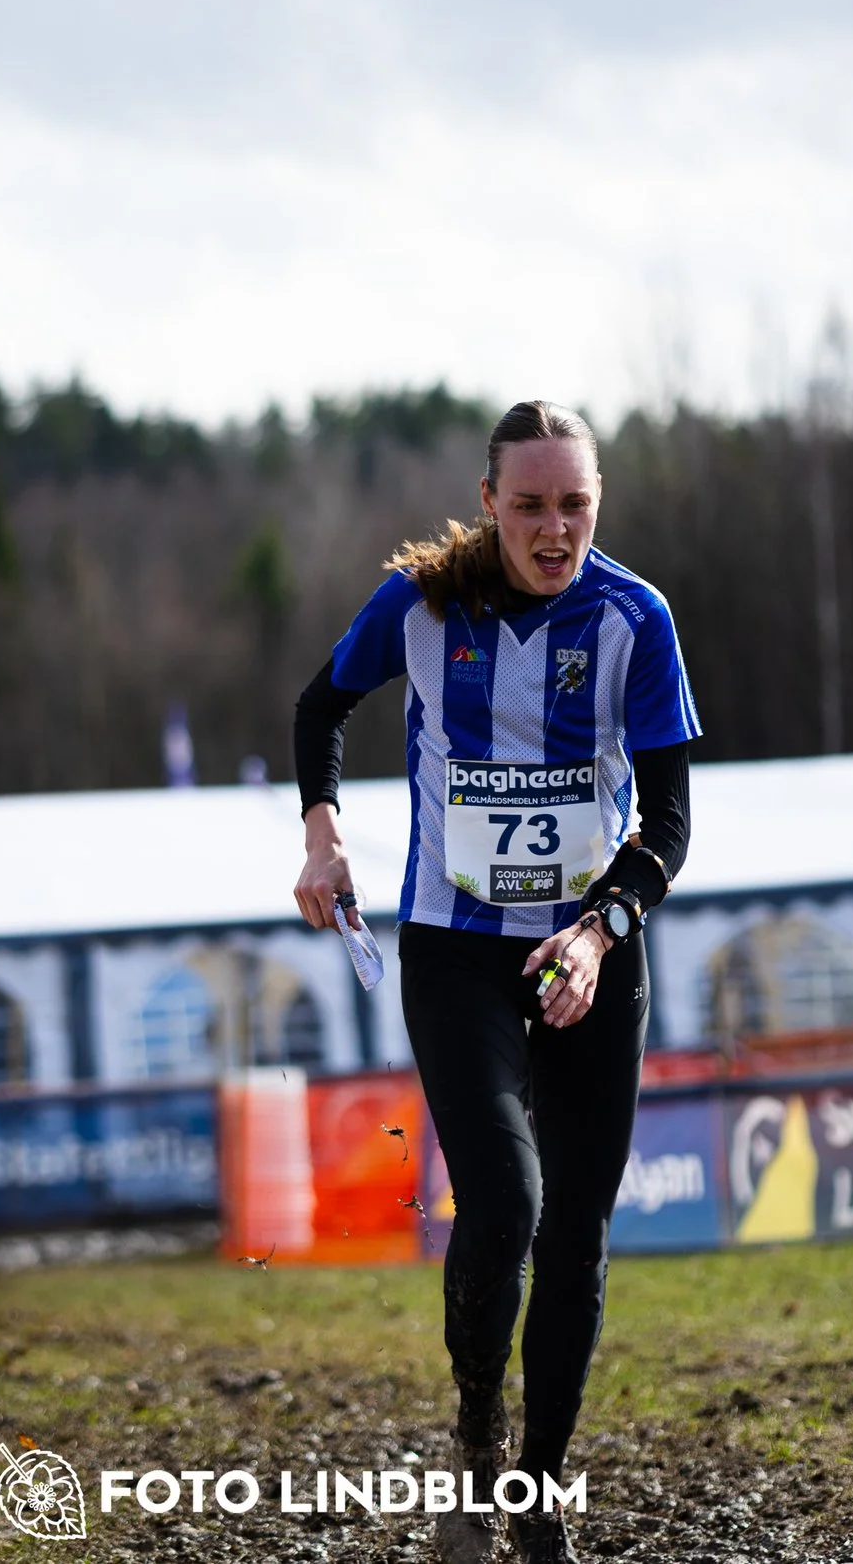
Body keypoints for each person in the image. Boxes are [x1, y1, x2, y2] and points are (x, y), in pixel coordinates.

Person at [291, 400, 698, 1564]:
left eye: (575, 504)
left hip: (588, 956)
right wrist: (324, 839)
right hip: (457, 950)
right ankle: (477, 1429)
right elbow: (320, 704)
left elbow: (666, 823)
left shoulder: (636, 618)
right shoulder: (421, 606)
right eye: (529, 505)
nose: (553, 529)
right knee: (506, 1204)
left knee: (577, 1229)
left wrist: (599, 929)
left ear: (597, 503)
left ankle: (536, 1491)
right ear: (489, 503)